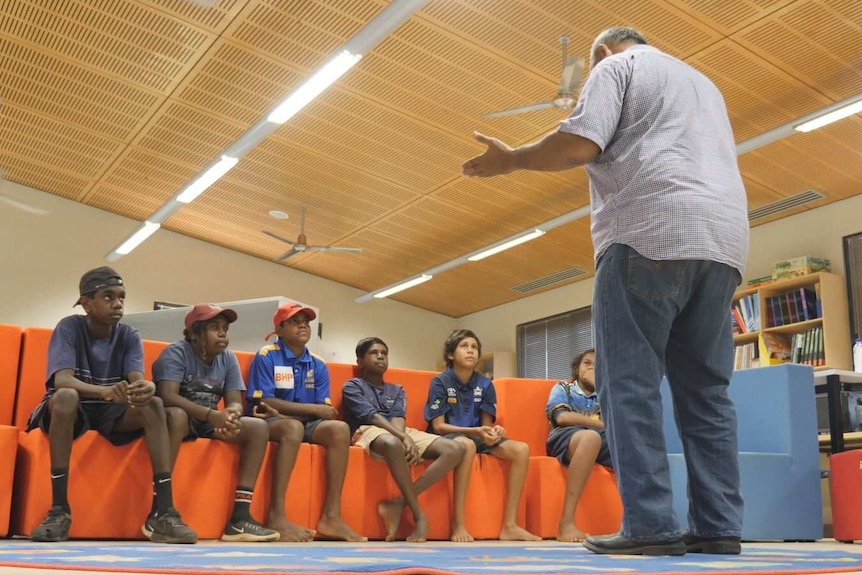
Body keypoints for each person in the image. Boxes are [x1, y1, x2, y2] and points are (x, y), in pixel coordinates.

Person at [460, 26, 748, 556]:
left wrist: (513, 159)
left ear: (601, 52)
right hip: (724, 244)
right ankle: (718, 526)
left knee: (628, 385)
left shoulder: (616, 67)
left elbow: (580, 142)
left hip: (647, 233)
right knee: (707, 394)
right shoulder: (706, 85)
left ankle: (651, 526)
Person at [25, 266, 197, 544]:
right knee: (66, 397)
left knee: (152, 404)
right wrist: (104, 391)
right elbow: (62, 380)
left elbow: (137, 380)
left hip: (109, 410)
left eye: (121, 297)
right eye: (108, 297)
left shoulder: (128, 334)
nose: (117, 304)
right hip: (71, 408)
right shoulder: (69, 327)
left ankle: (164, 513)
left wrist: (146, 387)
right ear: (86, 302)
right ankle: (58, 511)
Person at [153, 303, 280, 542]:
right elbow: (167, 395)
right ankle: (159, 510)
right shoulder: (175, 352)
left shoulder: (228, 358)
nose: (223, 333)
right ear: (193, 333)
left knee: (258, 427)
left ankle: (240, 518)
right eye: (214, 328)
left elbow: (235, 401)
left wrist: (230, 416)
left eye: (225, 328)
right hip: (178, 420)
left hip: (209, 421)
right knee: (176, 415)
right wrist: (213, 416)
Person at [246, 302, 366, 542]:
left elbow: (326, 411)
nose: (303, 325)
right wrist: (310, 410)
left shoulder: (318, 363)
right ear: (279, 330)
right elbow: (266, 401)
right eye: (294, 321)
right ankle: (276, 515)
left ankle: (331, 517)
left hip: (299, 421)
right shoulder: (267, 355)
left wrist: (302, 412)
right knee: (292, 427)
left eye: (306, 322)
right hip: (269, 423)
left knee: (339, 429)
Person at [341, 337, 465, 542]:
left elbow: (399, 416)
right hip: (367, 429)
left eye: (384, 353)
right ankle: (419, 516)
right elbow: (371, 416)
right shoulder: (353, 386)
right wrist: (401, 437)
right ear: (360, 361)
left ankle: (398, 503)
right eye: (374, 353)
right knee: (392, 443)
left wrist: (405, 436)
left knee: (455, 449)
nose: (381, 356)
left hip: (399, 430)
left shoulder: (397, 389)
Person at [424, 329, 540, 542]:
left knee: (521, 449)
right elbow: (439, 426)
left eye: (474, 347)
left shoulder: (485, 384)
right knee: (466, 445)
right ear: (450, 355)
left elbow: (485, 425)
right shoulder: (440, 382)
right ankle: (458, 524)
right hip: (448, 438)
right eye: (464, 346)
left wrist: (492, 433)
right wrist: (475, 432)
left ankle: (510, 525)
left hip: (476, 436)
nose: (470, 351)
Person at [545, 348, 612, 542]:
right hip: (564, 437)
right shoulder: (563, 388)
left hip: (600, 440)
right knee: (591, 438)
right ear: (577, 369)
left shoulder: (606, 394)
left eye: (597, 365)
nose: (592, 367)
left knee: (632, 448)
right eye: (587, 363)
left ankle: (635, 525)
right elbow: (562, 417)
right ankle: (566, 524)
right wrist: (600, 424)